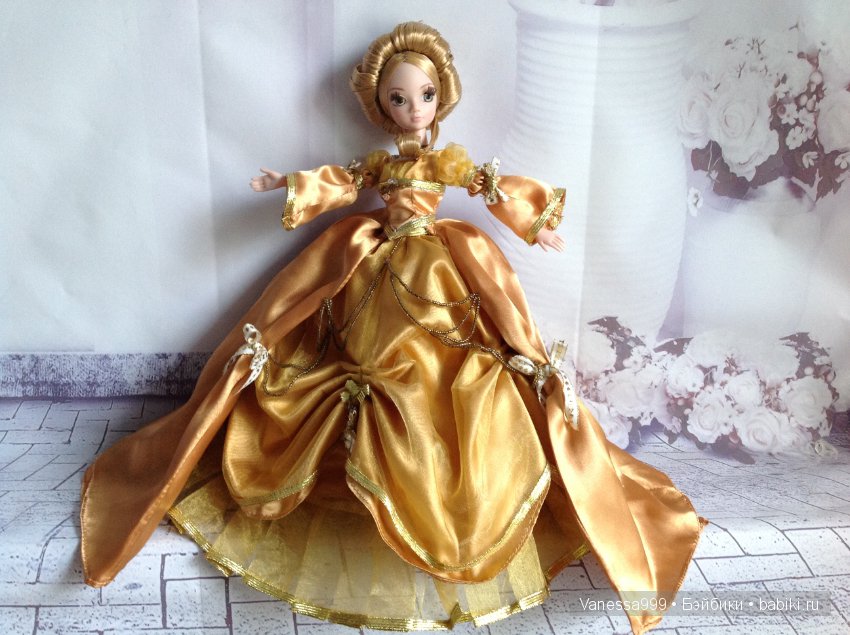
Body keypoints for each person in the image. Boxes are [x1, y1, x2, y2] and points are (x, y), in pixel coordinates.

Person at [80, 21, 703, 634]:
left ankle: (441, 475)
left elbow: (489, 185)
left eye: (423, 96)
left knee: (460, 357)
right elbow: (343, 182)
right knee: (360, 351)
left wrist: (536, 225)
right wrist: (286, 183)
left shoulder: (444, 161)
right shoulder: (380, 163)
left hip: (436, 262)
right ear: (381, 105)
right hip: (378, 261)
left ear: (441, 97)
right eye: (398, 99)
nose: (412, 109)